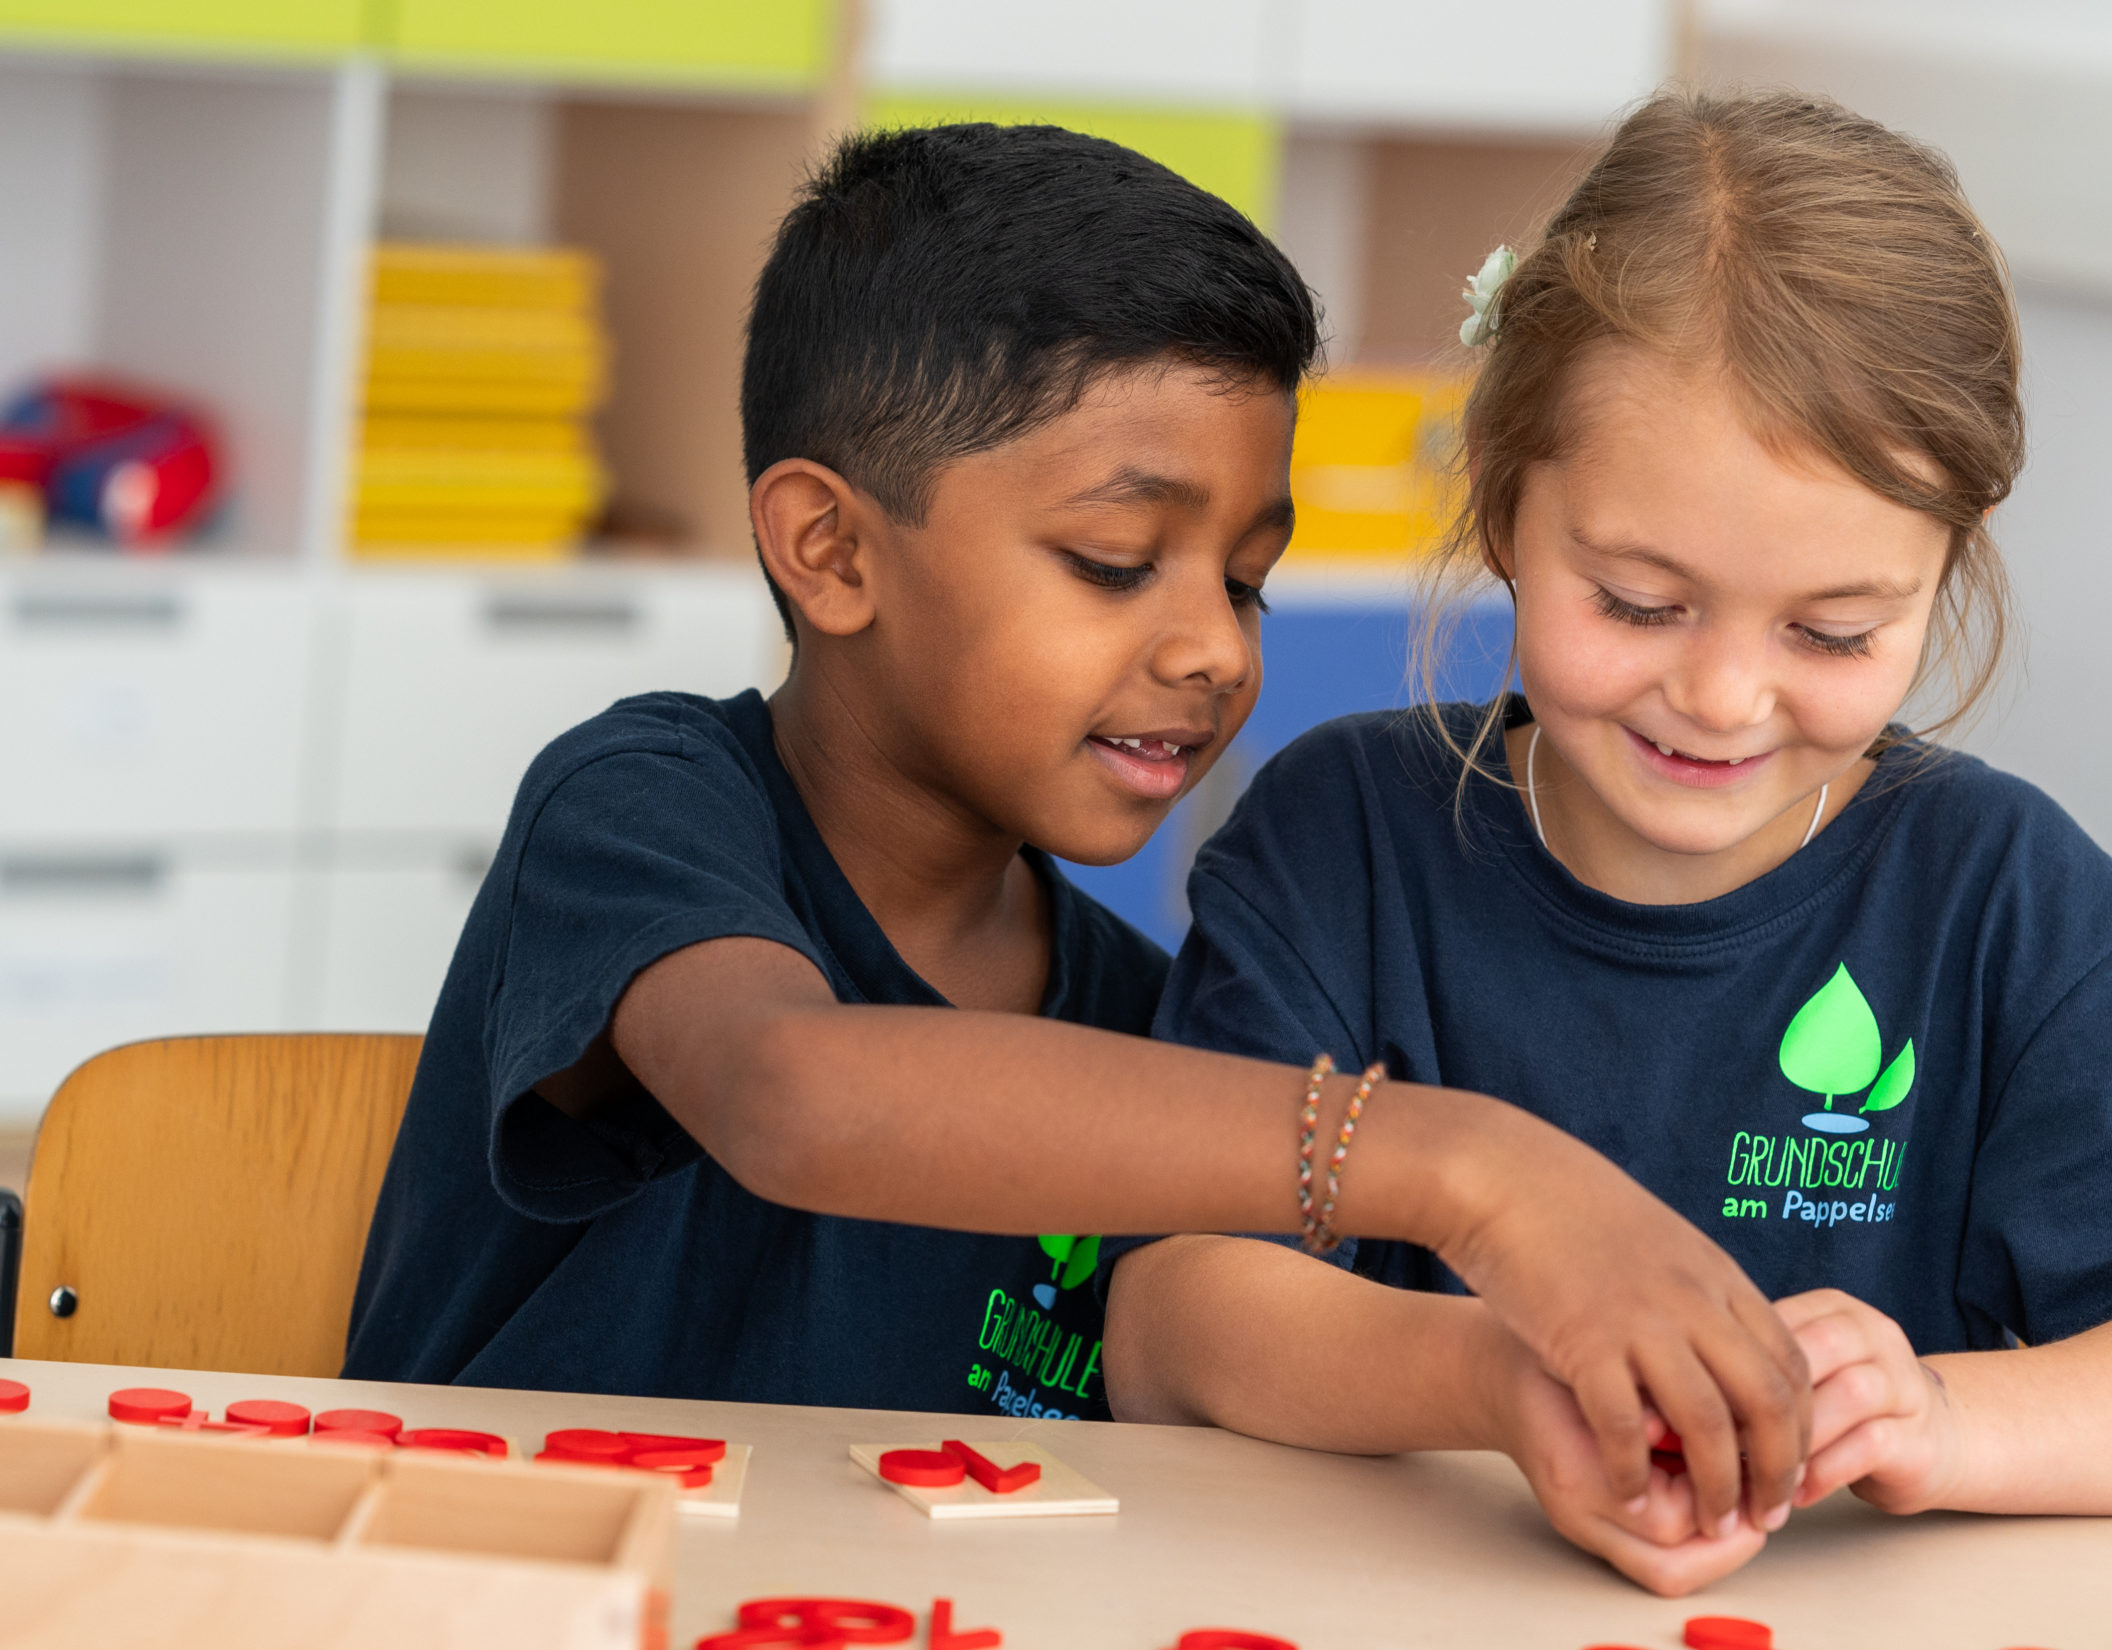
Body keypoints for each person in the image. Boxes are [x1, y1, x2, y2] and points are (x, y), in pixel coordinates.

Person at [341, 121, 1812, 1530]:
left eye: (1245, 581)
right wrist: (1463, 1162)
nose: (1219, 654)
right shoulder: (645, 803)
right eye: (1116, 563)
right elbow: (792, 1092)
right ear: (832, 548)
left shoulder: (1138, 1019)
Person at [1104, 89, 2112, 1596]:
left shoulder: (2002, 898)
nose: (1719, 698)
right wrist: (1499, 1379)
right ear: (1506, 506)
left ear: (1939, 579)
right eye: (1639, 603)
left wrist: (1945, 1420)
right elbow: (1170, 1326)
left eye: (1835, 629)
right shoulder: (1340, 840)